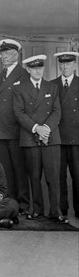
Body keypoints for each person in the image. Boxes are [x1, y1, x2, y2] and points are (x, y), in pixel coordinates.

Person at [13, 54, 66, 223]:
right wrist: (37, 129)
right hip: (30, 138)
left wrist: (46, 130)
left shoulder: (52, 87)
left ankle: (55, 211)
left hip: (50, 138)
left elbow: (57, 111)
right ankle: (37, 210)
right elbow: (19, 113)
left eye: (40, 67)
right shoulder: (19, 88)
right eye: (34, 68)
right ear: (28, 69)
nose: (38, 70)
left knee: (53, 177)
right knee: (34, 177)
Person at [0, 38, 30, 215]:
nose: (4, 57)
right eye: (3, 54)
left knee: (19, 169)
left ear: (16, 55)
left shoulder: (23, 75)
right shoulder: (0, 76)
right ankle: (10, 201)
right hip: (1, 130)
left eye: (7, 54)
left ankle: (23, 204)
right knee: (6, 170)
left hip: (16, 130)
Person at [53, 51, 79, 218]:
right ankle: (62, 209)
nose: (64, 66)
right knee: (59, 177)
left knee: (78, 176)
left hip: (77, 138)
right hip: (58, 138)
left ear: (75, 65)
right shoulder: (52, 85)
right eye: (62, 64)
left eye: (68, 63)